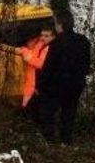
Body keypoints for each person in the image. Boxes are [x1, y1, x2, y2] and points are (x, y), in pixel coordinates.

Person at [35, 10, 91, 145]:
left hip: (57, 86)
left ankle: (49, 141)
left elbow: (48, 67)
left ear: (59, 24)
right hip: (76, 85)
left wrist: (39, 85)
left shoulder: (56, 43)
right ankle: (66, 141)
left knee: (48, 113)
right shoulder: (83, 41)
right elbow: (86, 64)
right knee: (69, 114)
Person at [20, 22, 56, 116]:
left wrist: (25, 52)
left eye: (46, 36)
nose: (43, 38)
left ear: (53, 37)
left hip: (40, 84)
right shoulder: (41, 43)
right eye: (42, 35)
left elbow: (40, 64)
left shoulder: (51, 48)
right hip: (32, 81)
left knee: (36, 110)